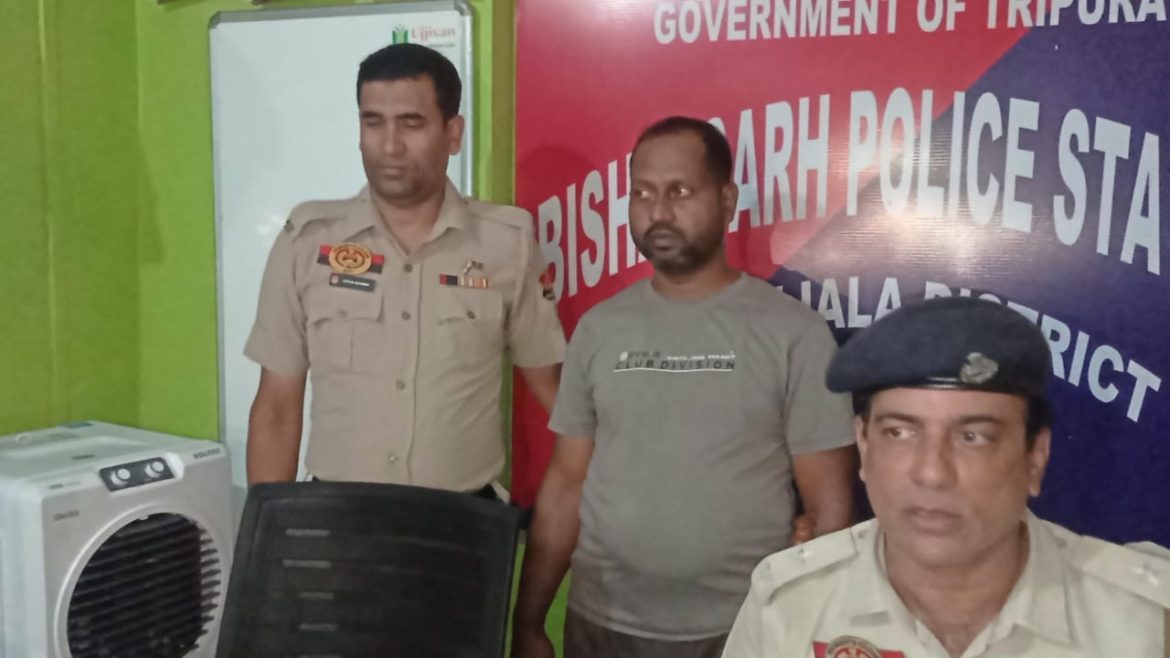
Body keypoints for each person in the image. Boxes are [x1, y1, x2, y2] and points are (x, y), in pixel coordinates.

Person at [511, 116, 858, 658]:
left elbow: (829, 509)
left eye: (679, 191)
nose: (658, 211)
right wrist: (529, 621)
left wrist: (803, 625)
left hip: (743, 628)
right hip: (602, 625)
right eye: (642, 193)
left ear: (726, 200)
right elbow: (565, 483)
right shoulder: (600, 330)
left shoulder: (794, 333)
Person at [722, 296, 1170, 658]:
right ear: (863, 446)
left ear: (1035, 456)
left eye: (973, 437)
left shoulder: (1146, 622)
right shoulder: (789, 603)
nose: (932, 473)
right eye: (900, 432)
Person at [243, 43, 564, 497]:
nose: (390, 146)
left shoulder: (506, 242)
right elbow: (276, 407)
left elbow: (553, 391)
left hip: (460, 519)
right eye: (373, 122)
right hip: (337, 514)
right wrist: (267, 529)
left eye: (411, 124)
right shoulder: (309, 241)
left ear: (453, 133)